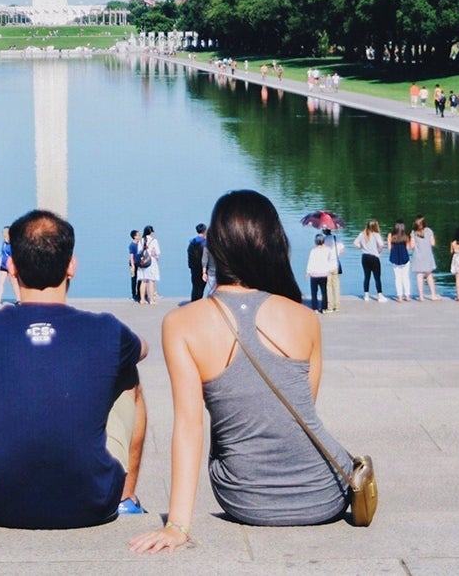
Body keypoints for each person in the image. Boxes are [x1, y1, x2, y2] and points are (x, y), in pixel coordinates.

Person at [130, 190, 354, 552]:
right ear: (273, 244)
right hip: (327, 491)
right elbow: (299, 415)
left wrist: (177, 525)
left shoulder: (182, 324)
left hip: (246, 497)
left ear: (215, 248)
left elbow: (189, 426)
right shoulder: (305, 318)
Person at [0, 209, 148, 528]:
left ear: (11, 268)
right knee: (128, 374)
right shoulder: (108, 329)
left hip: (0, 500)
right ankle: (126, 499)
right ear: (71, 267)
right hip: (93, 500)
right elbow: (143, 349)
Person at [354, 220, 386, 301]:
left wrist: (361, 247)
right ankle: (380, 295)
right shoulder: (376, 235)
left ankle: (366, 295)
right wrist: (379, 251)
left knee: (366, 276)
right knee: (377, 277)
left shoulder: (362, 234)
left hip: (365, 257)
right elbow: (381, 244)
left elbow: (355, 243)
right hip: (374, 257)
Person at [305, 233, 337, 312]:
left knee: (314, 292)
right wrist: (329, 270)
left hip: (314, 274)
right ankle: (324, 307)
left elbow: (310, 261)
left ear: (315, 242)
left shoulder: (313, 251)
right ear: (323, 241)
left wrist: (308, 272)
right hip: (324, 273)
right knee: (324, 291)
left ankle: (315, 307)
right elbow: (330, 260)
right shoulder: (328, 250)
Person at [410, 215, 438, 301]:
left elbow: (412, 245)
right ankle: (433, 295)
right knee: (429, 275)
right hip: (427, 256)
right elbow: (433, 243)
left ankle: (421, 296)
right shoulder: (429, 231)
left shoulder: (413, 233)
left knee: (419, 275)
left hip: (418, 257)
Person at [136, 225, 161, 304]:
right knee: (151, 281)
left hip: (142, 262)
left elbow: (139, 252)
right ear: (151, 232)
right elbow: (157, 252)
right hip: (151, 262)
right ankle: (151, 300)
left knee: (143, 281)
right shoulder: (154, 241)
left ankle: (142, 299)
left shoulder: (140, 241)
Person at [388, 221, 412, 302]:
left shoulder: (391, 236)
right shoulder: (406, 236)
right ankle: (407, 295)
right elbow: (409, 247)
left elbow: (389, 247)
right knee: (406, 277)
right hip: (405, 258)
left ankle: (400, 297)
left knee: (397, 278)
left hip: (395, 258)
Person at [0, 225, 14, 305]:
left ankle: (19, 300)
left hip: (10, 265)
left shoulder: (12, 243)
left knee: (13, 283)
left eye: (4, 231)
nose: (2, 233)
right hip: (3, 265)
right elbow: (2, 253)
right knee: (0, 282)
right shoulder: (4, 242)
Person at [187, 224, 208, 303]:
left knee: (195, 287)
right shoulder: (205, 243)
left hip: (194, 269)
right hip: (203, 268)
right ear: (204, 230)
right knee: (202, 287)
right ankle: (198, 304)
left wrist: (191, 266)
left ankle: (194, 303)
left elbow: (190, 256)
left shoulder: (192, 243)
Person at [127, 229, 142, 301]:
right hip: (133, 263)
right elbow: (131, 256)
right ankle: (134, 295)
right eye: (138, 235)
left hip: (139, 263)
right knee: (134, 279)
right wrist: (132, 266)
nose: (140, 236)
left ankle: (139, 294)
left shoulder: (140, 244)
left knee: (140, 279)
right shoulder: (132, 245)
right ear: (135, 237)